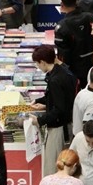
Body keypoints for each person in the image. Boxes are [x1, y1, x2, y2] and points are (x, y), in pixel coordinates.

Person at [30, 45, 77, 177]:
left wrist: (39, 120)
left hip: (58, 129)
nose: (38, 67)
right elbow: (59, 98)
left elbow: (59, 109)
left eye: (37, 63)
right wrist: (41, 102)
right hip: (67, 124)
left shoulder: (55, 80)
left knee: (53, 167)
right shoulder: (64, 71)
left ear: (42, 62)